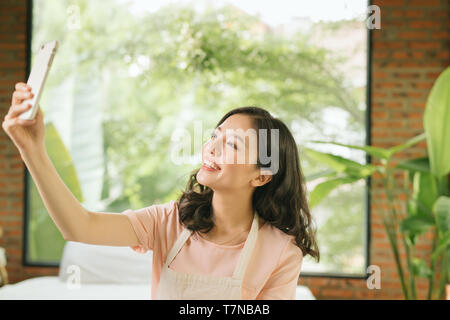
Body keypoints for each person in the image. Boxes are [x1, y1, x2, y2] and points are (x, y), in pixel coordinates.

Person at [2, 82, 320, 300]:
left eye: (232, 145)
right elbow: (79, 226)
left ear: (261, 177)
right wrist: (32, 150)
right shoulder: (169, 221)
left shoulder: (280, 252)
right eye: (215, 136)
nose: (212, 148)